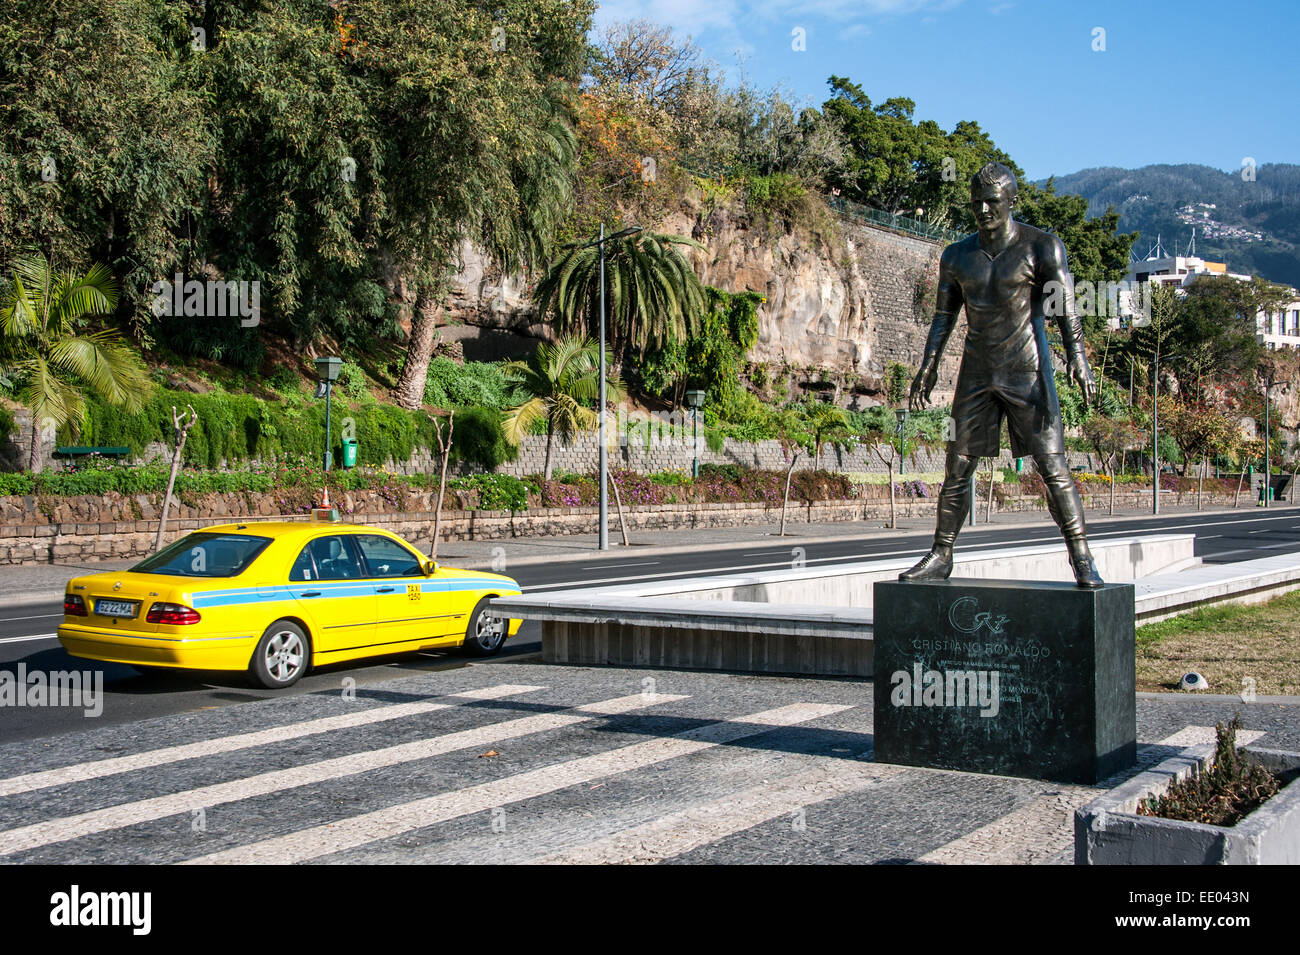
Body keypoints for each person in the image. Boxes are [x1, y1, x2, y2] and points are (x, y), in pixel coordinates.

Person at [900, 161, 1103, 588]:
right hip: (976, 373)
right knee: (957, 465)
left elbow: (1065, 309)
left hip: (1028, 372)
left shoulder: (1042, 248)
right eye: (977, 202)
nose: (983, 210)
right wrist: (928, 366)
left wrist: (1079, 360)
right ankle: (941, 553)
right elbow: (943, 318)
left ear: (1013, 201)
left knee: (1052, 465)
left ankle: (1081, 557)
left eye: (992, 201)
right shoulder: (957, 256)